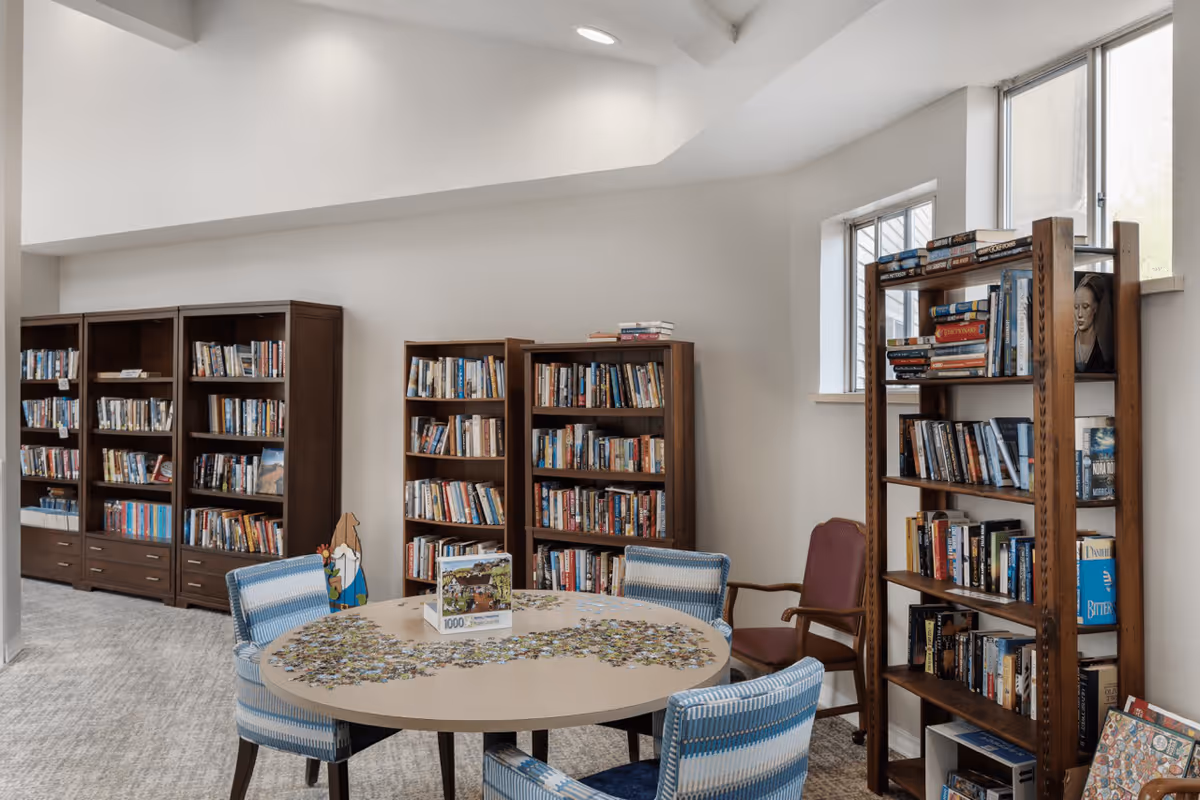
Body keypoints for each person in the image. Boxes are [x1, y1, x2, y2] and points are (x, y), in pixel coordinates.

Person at [1074, 274, 1111, 372]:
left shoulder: (1104, 352)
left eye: (1085, 307)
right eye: (1076, 307)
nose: (1079, 314)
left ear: (1095, 308)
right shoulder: (1065, 347)